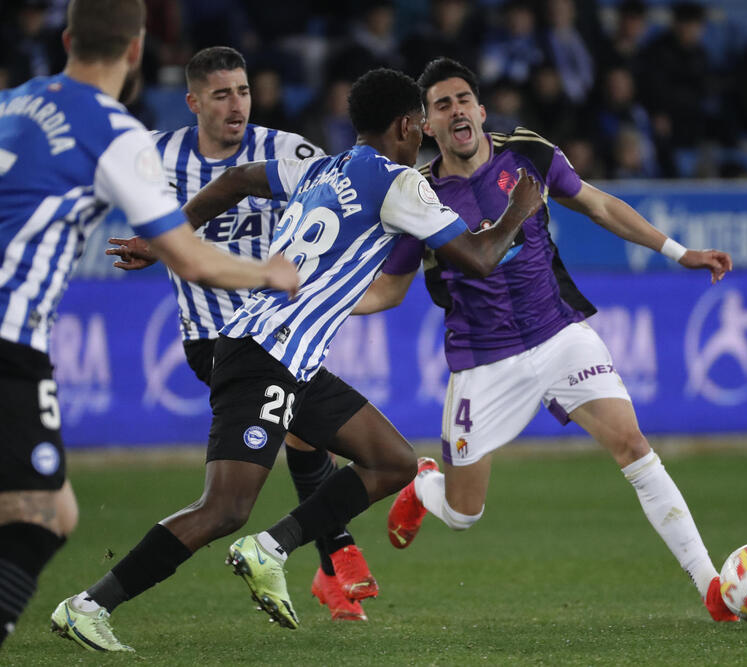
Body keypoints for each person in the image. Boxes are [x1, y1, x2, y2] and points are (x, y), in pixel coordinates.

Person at [51, 66, 544, 652]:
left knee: (391, 462)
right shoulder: (400, 183)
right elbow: (481, 259)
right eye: (420, 127)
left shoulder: (323, 168)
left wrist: (166, 240)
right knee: (224, 506)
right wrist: (520, 208)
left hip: (290, 358)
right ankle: (88, 605)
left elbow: (236, 179)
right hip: (266, 354)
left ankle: (272, 547)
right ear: (408, 125)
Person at [353, 57, 738, 622]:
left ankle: (712, 588)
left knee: (633, 446)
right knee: (464, 515)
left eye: (463, 99)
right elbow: (389, 289)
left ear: (481, 111)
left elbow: (598, 202)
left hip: (558, 334)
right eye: (441, 104)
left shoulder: (527, 153)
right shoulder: (419, 195)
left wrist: (680, 252)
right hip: (483, 363)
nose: (456, 109)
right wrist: (319, 304)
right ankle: (425, 486)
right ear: (427, 126)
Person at [0, 0, 298, 651]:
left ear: (69, 38)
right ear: (137, 51)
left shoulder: (16, 101)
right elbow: (191, 256)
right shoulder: (115, 133)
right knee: (43, 517)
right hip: (10, 339)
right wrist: (269, 274)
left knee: (44, 509)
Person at [105, 46, 378, 622]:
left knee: (308, 437)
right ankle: (335, 552)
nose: (237, 105)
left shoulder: (286, 150)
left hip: (278, 327)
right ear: (194, 101)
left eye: (244, 91)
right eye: (223, 94)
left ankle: (331, 563)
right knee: (305, 447)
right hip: (215, 340)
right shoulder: (155, 156)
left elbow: (344, 195)